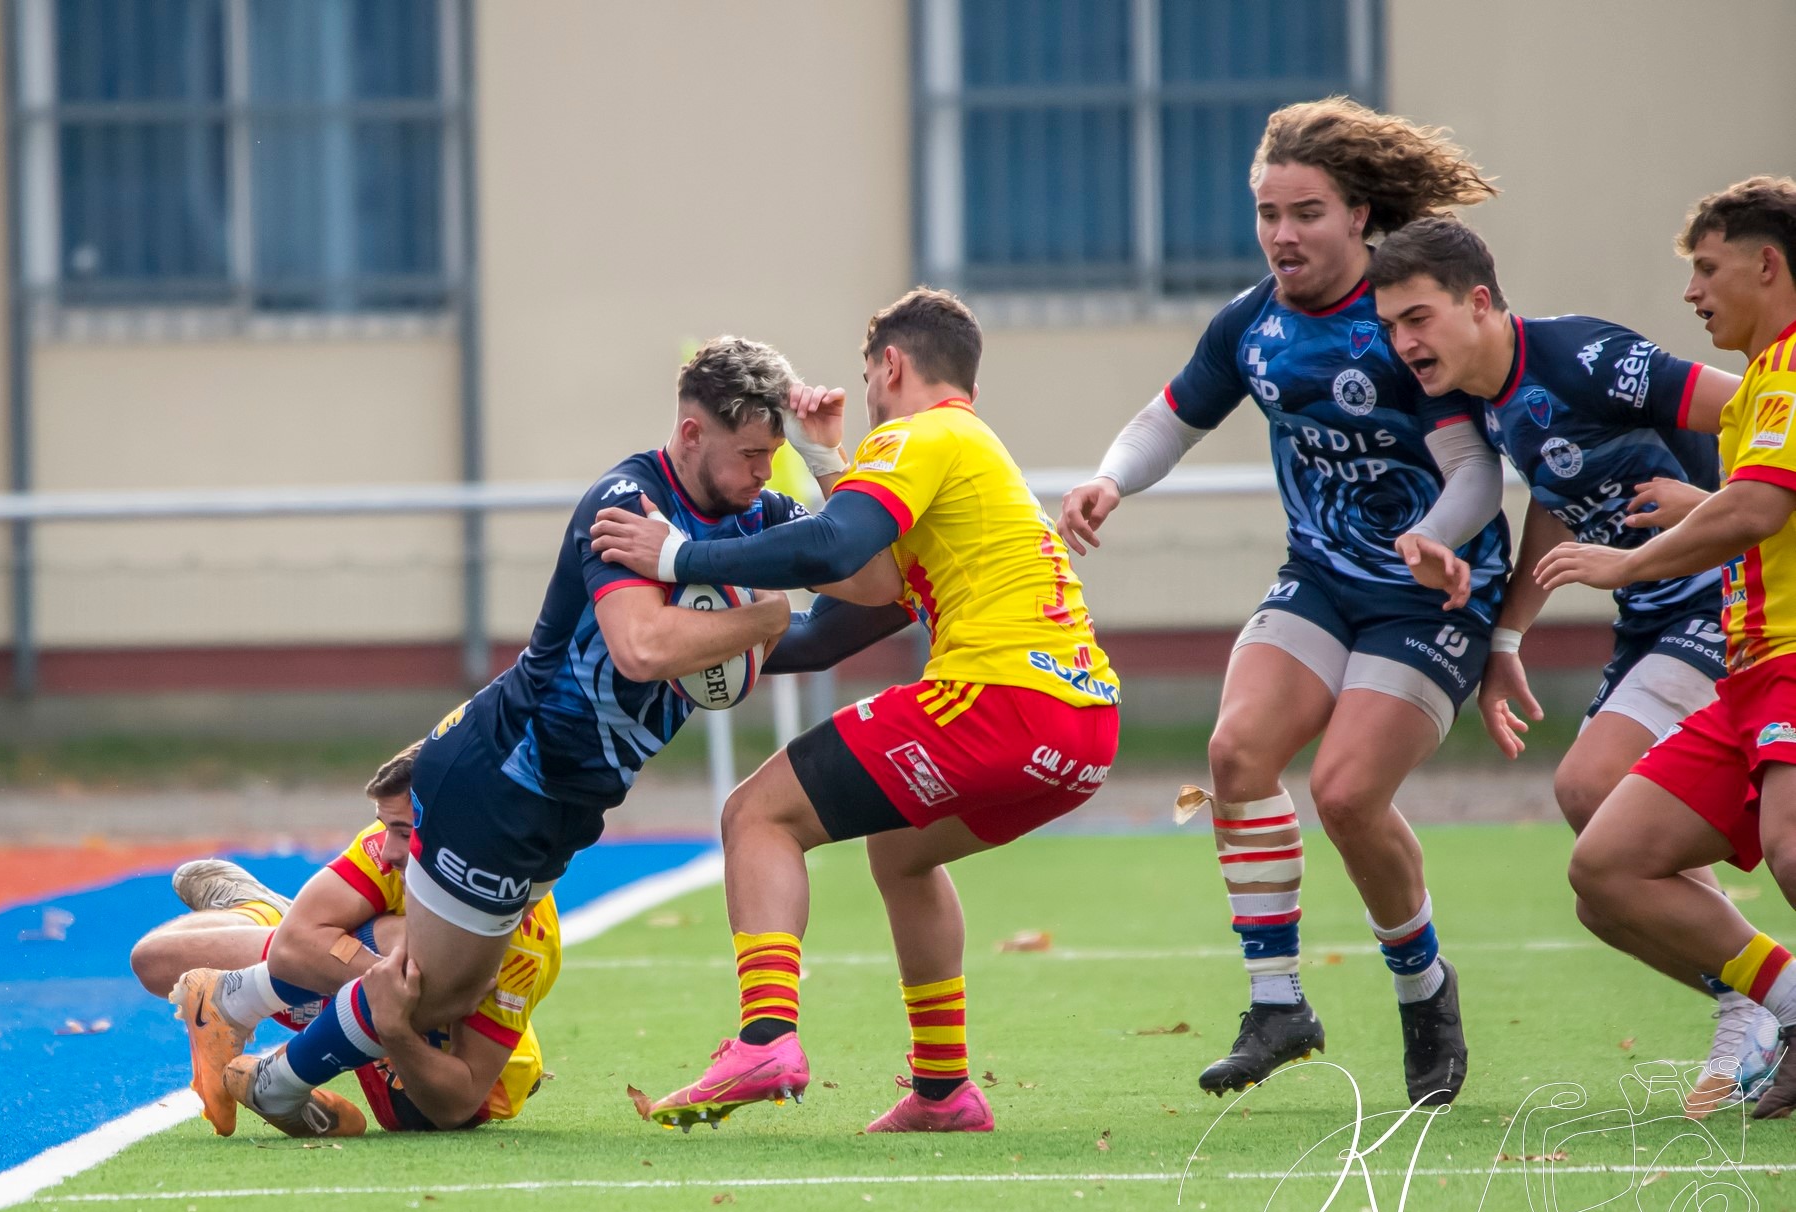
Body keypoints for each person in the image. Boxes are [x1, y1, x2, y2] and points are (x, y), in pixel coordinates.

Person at [222, 337, 907, 1137]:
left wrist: (825, 460)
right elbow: (641, 647)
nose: (763, 471)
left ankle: (242, 1002)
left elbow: (872, 584)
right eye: (751, 455)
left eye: (774, 454)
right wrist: (762, 618)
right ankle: (260, 1046)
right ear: (692, 435)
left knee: (441, 994)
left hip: (565, 807)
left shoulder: (755, 512)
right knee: (431, 995)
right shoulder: (627, 503)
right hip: (500, 777)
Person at [1057, 97, 1507, 1106]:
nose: (1282, 235)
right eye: (1268, 213)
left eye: (1306, 213)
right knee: (1235, 754)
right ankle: (1277, 1006)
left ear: (1358, 216)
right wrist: (1109, 480)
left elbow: (1475, 470)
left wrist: (1437, 535)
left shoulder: (1403, 320)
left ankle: (1423, 992)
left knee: (1345, 795)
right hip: (1321, 578)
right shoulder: (1251, 321)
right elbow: (1171, 417)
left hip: (1430, 596)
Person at [590, 288, 1120, 1134]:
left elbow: (835, 544)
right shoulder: (973, 448)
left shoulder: (919, 433)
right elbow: (870, 583)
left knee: (755, 816)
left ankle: (766, 1039)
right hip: (1084, 727)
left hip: (999, 701)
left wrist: (680, 554)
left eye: (870, 377)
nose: (868, 397)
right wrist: (826, 455)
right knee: (902, 850)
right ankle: (944, 1092)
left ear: (891, 366)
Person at [1369, 216, 1765, 1115]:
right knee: (1603, 881)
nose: (1405, 343)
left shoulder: (1584, 357)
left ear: (1479, 303)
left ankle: (1757, 1003)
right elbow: (1558, 489)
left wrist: (1707, 501)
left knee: (1593, 792)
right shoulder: (1491, 395)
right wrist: (1508, 639)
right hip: (1651, 617)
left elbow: (1757, 407)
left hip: (1721, 602)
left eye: (1418, 318)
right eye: (1391, 327)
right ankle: (1757, 995)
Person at [1537, 176, 1796, 1119]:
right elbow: (1761, 505)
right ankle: (1789, 1006)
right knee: (1606, 869)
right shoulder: (1756, 388)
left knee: (1792, 849)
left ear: (1767, 265)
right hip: (1748, 678)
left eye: (1707, 269)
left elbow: (1758, 507)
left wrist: (1630, 563)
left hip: (1792, 664)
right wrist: (1709, 504)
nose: (1692, 292)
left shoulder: (1792, 366)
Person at [144, 743, 554, 1136]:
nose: (388, 851)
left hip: (445, 1078)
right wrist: (387, 992)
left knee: (418, 952)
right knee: (154, 962)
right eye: (386, 827)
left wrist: (394, 1026)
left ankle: (260, 982)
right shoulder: (393, 841)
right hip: (363, 1002)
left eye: (403, 832)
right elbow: (292, 948)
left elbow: (455, 1106)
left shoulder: (524, 934)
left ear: (458, 833)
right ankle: (261, 946)